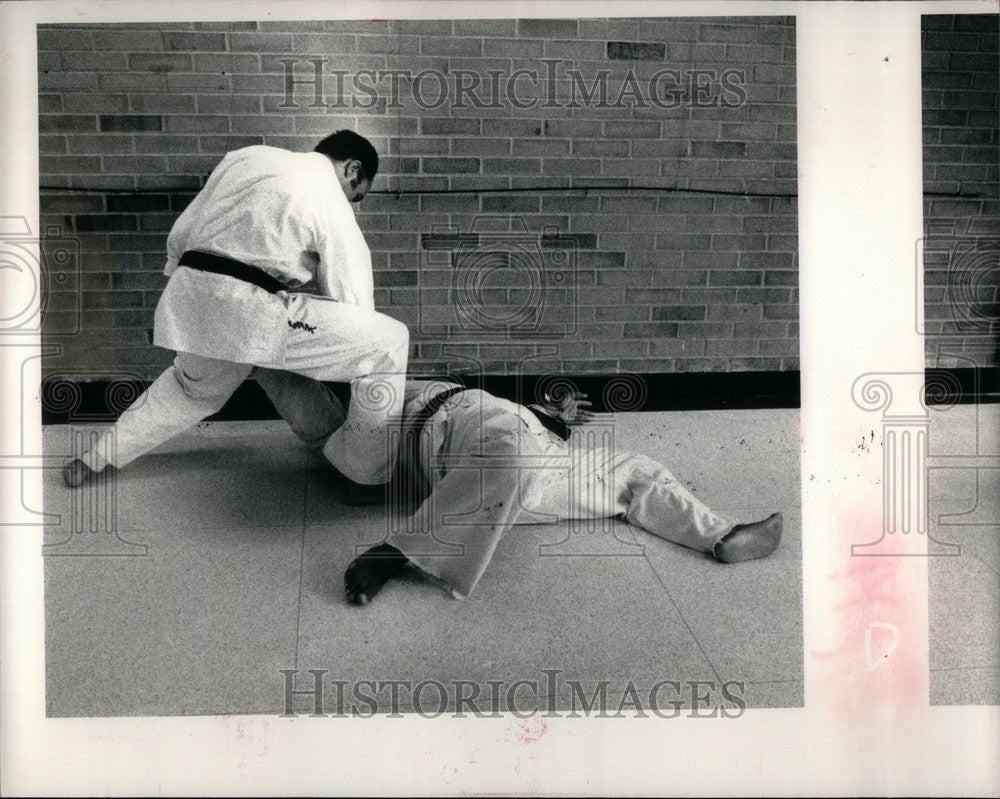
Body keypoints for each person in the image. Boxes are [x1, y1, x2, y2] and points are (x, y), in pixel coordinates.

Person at [62, 131, 407, 500]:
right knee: (388, 342)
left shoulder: (247, 157)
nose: (352, 204)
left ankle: (94, 459)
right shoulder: (329, 194)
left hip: (189, 291)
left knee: (191, 390)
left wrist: (200, 287)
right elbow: (351, 296)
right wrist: (348, 356)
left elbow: (185, 227)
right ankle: (365, 478)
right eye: (358, 195)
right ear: (352, 169)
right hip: (248, 306)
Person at [241, 372, 784, 603]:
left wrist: (558, 417)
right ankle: (398, 549)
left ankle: (722, 536)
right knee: (336, 454)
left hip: (508, 461)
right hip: (449, 434)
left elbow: (531, 431)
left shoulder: (518, 420)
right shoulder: (402, 388)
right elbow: (334, 399)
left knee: (635, 470)